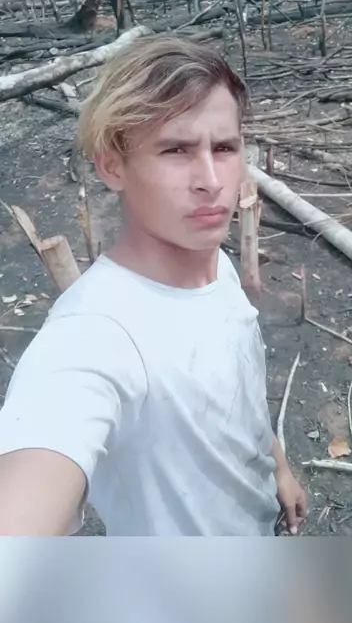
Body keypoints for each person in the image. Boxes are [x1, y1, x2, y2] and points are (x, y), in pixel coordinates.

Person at [0, 37, 307, 537]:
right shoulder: (94, 334)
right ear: (112, 165)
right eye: (175, 150)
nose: (211, 180)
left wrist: (280, 469)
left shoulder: (216, 266)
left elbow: (243, 396)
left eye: (224, 147)